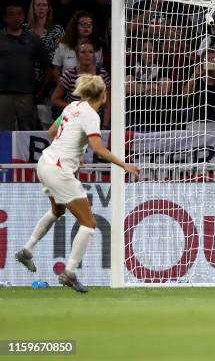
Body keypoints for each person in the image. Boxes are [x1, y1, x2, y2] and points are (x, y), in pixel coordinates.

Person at [15, 74, 140, 293]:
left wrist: (73, 153)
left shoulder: (73, 106)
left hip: (45, 163)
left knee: (57, 210)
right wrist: (124, 165)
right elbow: (98, 148)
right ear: (103, 95)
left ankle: (26, 251)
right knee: (89, 224)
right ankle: (69, 272)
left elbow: (52, 132)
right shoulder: (91, 115)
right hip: (59, 170)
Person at [0, 3, 51, 131]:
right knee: (3, 133)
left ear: (24, 16)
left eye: (19, 14)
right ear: (5, 18)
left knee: (28, 133)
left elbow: (48, 69)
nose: (16, 18)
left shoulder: (34, 39)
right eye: (11, 14)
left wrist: (41, 92)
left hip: (27, 95)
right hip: (2, 95)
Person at [52, 40, 111, 128]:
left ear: (94, 55)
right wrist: (73, 107)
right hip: (73, 122)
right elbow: (55, 99)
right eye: (83, 52)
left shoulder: (102, 75)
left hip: (95, 122)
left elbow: (108, 103)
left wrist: (105, 125)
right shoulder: (69, 74)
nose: (87, 55)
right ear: (77, 55)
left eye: (90, 52)